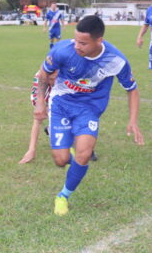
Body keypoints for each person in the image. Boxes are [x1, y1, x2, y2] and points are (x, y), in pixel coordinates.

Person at [34, 15, 143, 215]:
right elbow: (43, 74)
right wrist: (41, 102)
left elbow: (132, 89)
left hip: (89, 108)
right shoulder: (62, 50)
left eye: (83, 43)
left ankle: (62, 196)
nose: (77, 46)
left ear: (98, 40)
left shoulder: (115, 60)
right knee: (60, 159)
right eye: (76, 40)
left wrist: (133, 121)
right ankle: (69, 156)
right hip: (61, 104)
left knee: (84, 153)